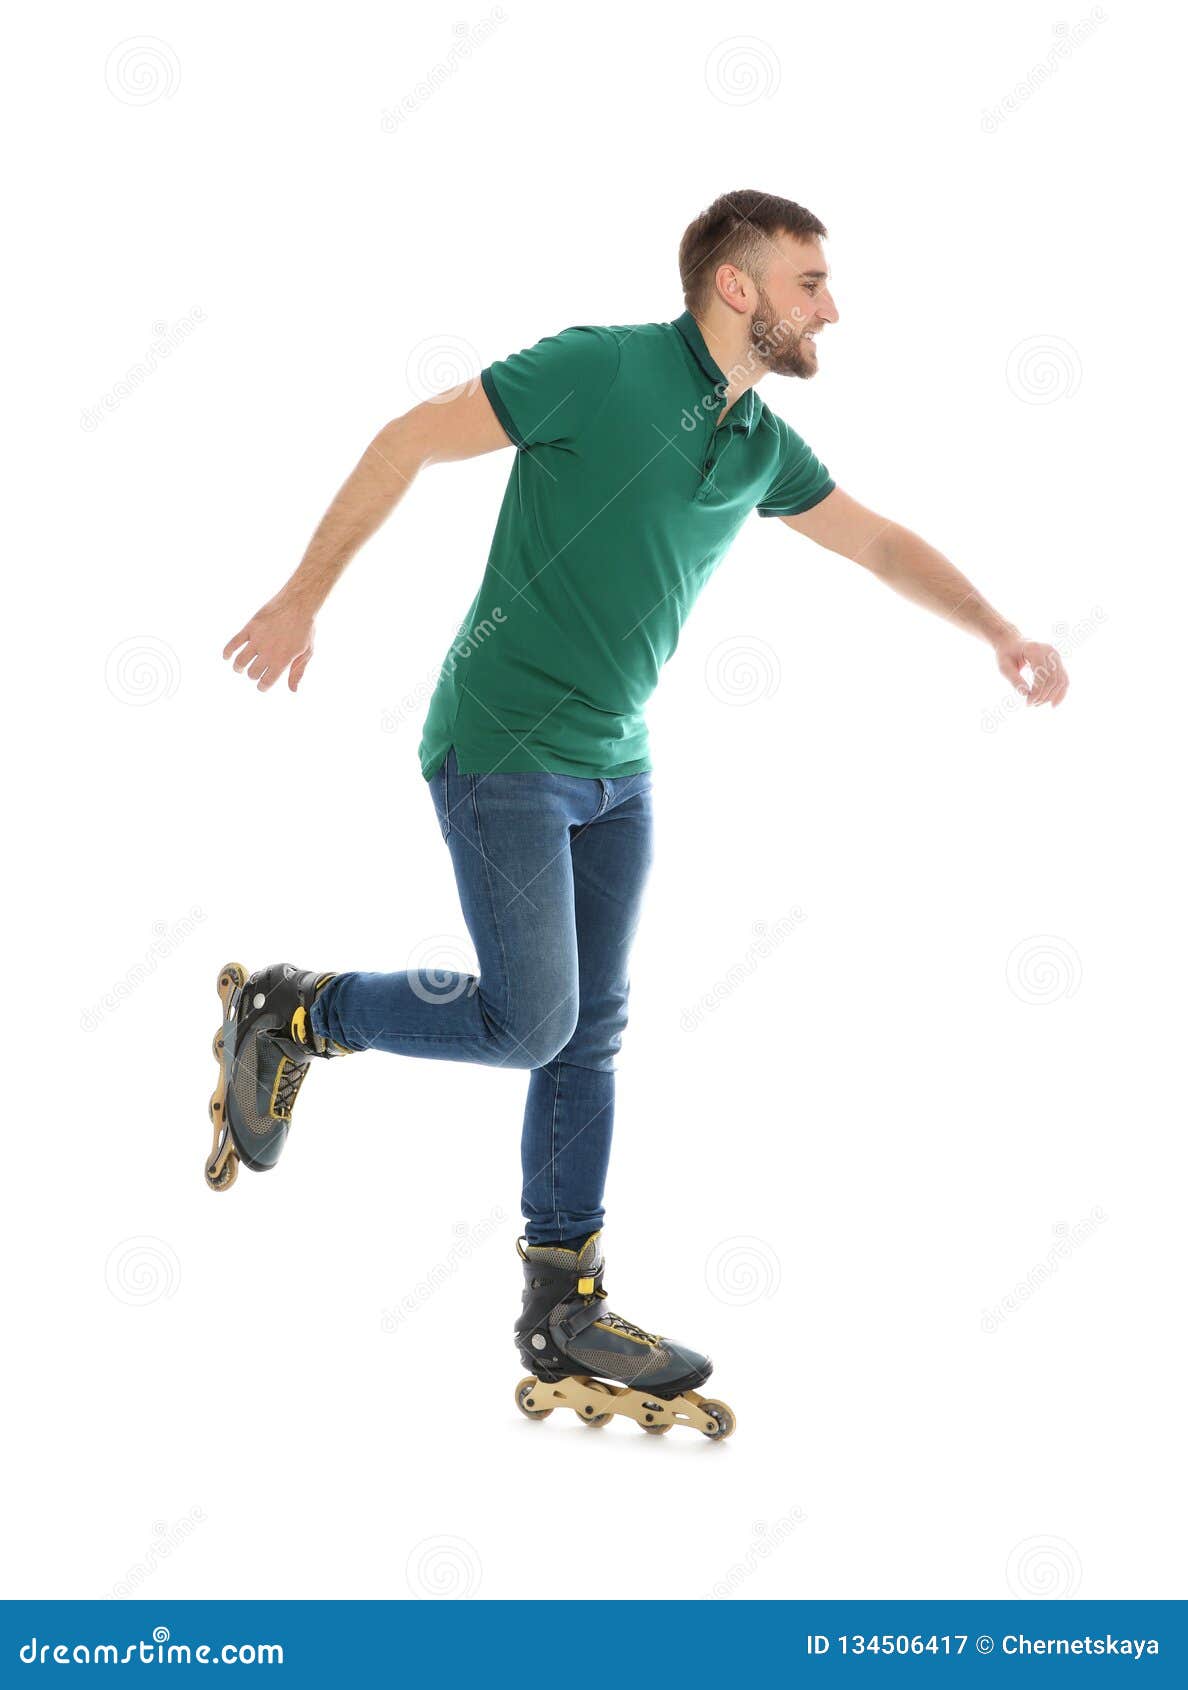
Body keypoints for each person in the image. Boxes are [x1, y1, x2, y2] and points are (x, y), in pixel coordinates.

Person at [209, 189, 1069, 1437]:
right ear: (738, 287)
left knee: (586, 1032)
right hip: (501, 744)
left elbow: (875, 543)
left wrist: (998, 629)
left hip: (619, 769)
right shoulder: (600, 369)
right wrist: (301, 597)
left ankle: (564, 1301)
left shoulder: (760, 441)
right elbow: (406, 437)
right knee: (530, 1017)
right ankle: (293, 1009)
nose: (831, 304)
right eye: (810, 281)